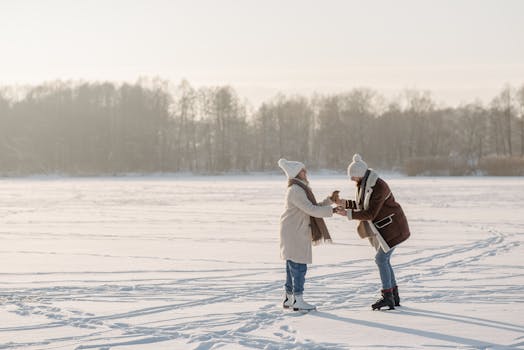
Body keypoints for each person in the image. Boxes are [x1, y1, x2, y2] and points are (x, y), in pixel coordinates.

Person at [335, 154, 410, 310]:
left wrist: (348, 214)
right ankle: (393, 296)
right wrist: (346, 203)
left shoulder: (379, 187)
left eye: (353, 176)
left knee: (381, 260)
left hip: (393, 229)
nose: (351, 180)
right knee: (384, 260)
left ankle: (388, 296)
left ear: (361, 174)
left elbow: (370, 213)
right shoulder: (365, 184)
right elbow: (362, 204)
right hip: (385, 229)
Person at [278, 158, 336, 312]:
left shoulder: (299, 188)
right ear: (297, 173)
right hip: (294, 232)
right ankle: (298, 300)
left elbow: (313, 207)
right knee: (298, 266)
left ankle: (289, 298)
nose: (306, 172)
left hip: (294, 230)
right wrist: (334, 210)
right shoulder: (296, 190)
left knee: (292, 265)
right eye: (303, 170)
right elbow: (312, 210)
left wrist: (330, 201)